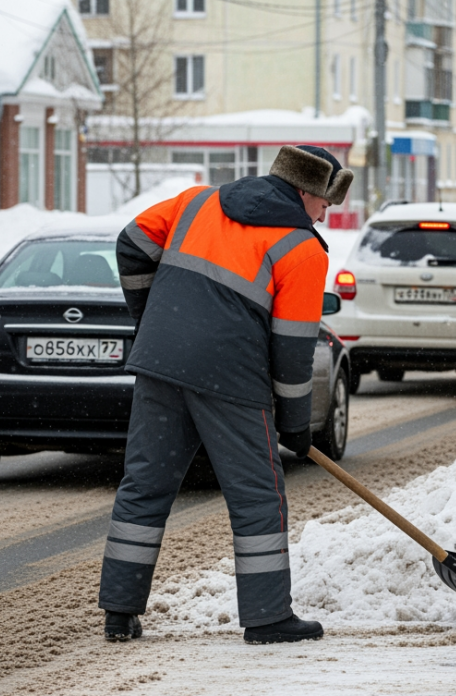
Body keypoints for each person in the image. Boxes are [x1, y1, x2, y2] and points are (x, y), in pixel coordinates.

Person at [99, 145, 353, 643]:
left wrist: (153, 315)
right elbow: (294, 348)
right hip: (232, 379)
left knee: (144, 486)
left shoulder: (196, 202)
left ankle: (119, 612)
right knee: (259, 495)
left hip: (160, 364)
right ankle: (266, 618)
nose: (327, 213)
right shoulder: (301, 249)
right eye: (325, 202)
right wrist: (296, 424)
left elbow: (131, 244)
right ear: (305, 192)